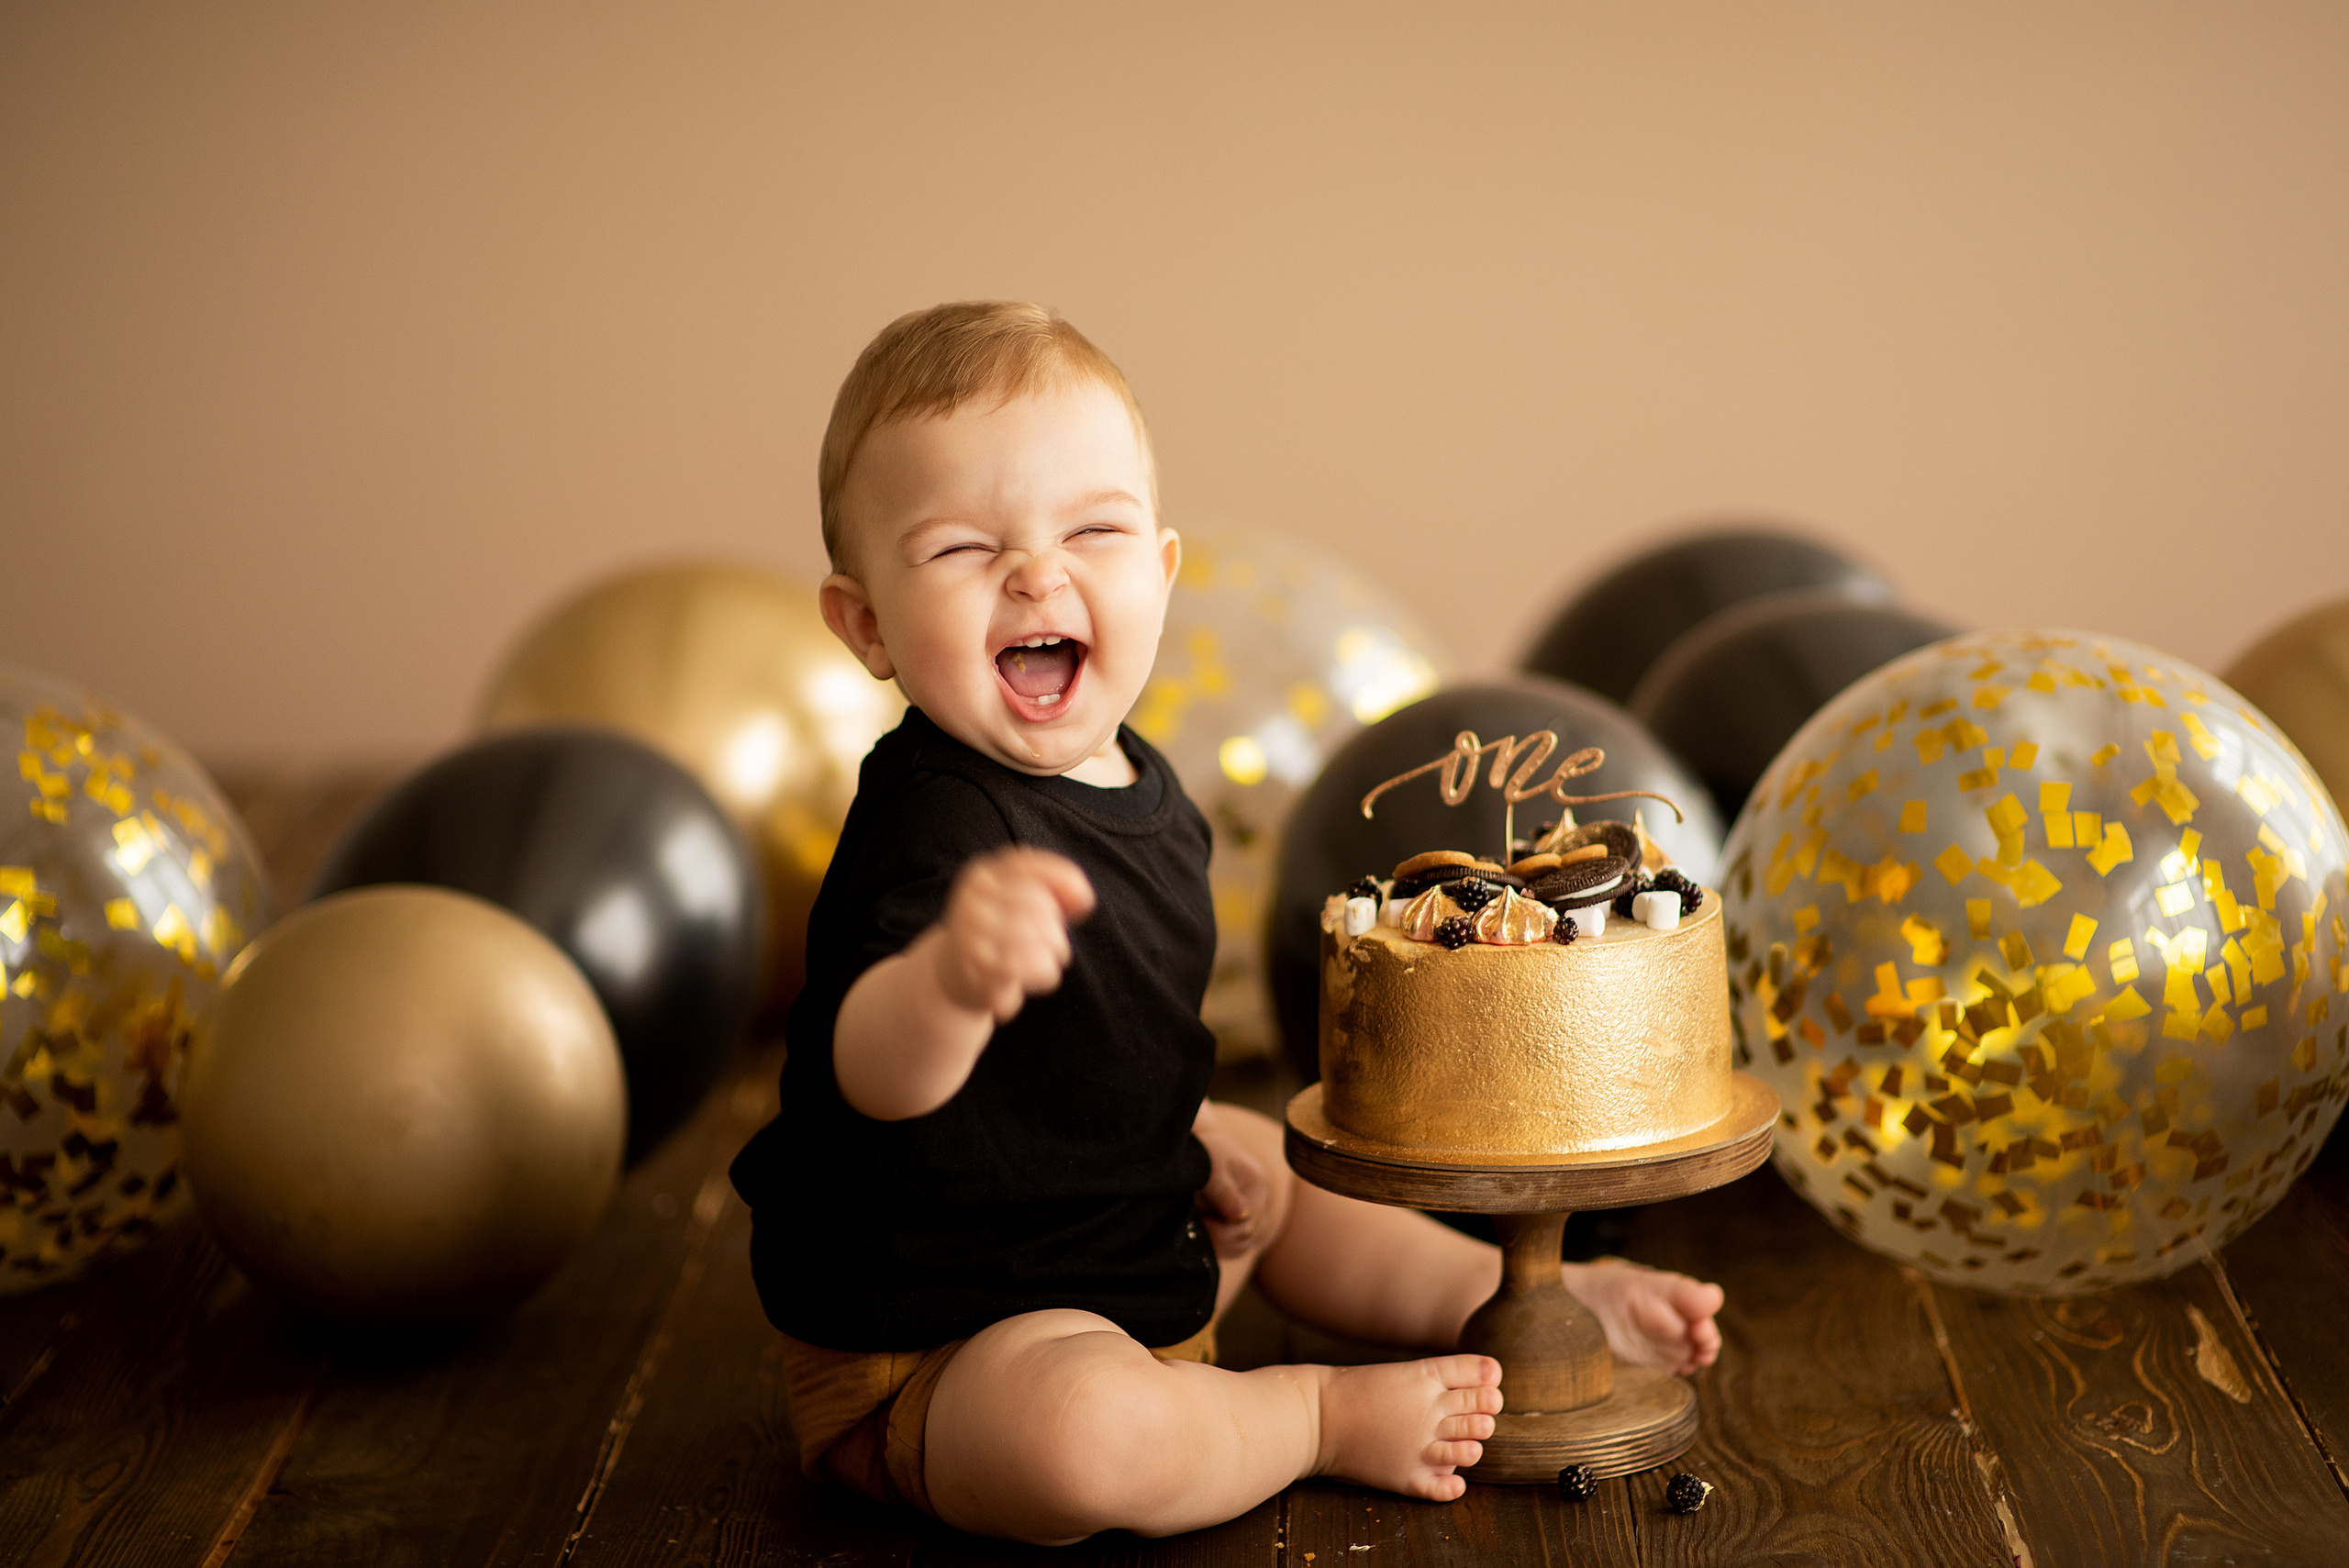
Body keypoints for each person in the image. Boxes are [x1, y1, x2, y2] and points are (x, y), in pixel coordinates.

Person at [729, 302, 1725, 1545]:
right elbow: (868, 1074)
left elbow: (1091, 1056)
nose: (1040, 573)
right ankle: (1305, 1414)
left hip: (1134, 1260)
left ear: (1158, 571)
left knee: (1281, 1163)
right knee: (1080, 1437)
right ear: (866, 622)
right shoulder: (934, 826)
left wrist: (1181, 1128)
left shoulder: (1150, 798)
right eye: (963, 548)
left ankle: (1526, 1291)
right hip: (945, 1346)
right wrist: (947, 980)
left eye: (1091, 530)